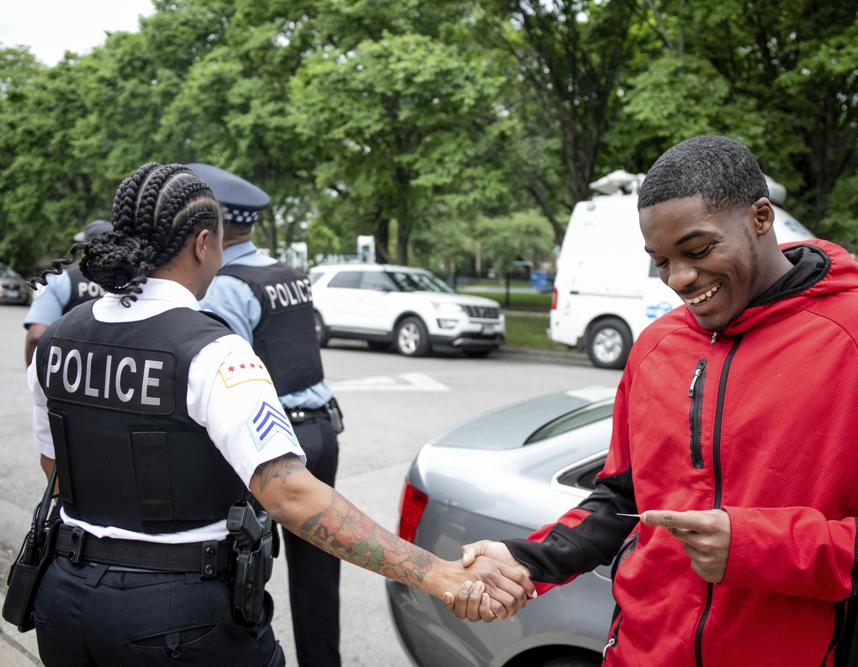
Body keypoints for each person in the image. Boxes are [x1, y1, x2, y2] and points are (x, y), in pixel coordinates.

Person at [448, 136, 858, 665]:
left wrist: (760, 546)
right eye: (660, 261)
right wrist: (525, 559)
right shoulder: (654, 348)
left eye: (698, 249)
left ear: (761, 219)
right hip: (640, 655)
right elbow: (621, 500)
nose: (679, 279)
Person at [24, 163, 533, 666]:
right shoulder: (212, 351)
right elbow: (291, 496)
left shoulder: (59, 339)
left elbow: (58, 472)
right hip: (178, 621)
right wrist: (437, 573)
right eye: (220, 244)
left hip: (64, 604)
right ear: (203, 244)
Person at [190, 162, 343, 667]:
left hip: (272, 444)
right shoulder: (287, 274)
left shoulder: (226, 286)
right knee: (318, 576)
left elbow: (223, 374)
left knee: (247, 569)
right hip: (322, 430)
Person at [23, 219, 113, 365]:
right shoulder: (131, 283)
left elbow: (36, 336)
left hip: (68, 373)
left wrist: (36, 380)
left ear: (84, 247)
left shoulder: (61, 281)